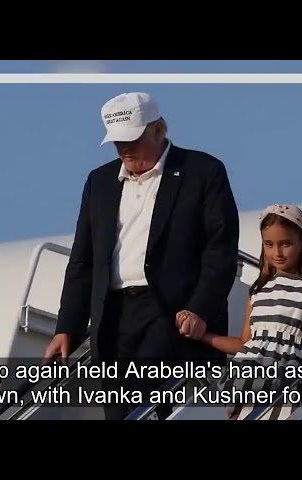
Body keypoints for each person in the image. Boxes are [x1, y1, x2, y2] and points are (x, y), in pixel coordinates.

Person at [44, 92, 240, 420]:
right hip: (114, 315)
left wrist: (199, 309)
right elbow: (83, 261)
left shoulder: (202, 171)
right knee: (121, 407)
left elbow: (220, 249)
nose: (124, 149)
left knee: (142, 387)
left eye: (132, 139)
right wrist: (67, 328)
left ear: (159, 130)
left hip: (171, 310)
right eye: (118, 142)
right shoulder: (100, 182)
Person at [196, 203, 302, 420]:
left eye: (285, 244)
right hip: (246, 381)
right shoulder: (258, 290)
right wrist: (204, 336)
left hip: (287, 381)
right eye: (269, 244)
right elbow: (244, 342)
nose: (277, 252)